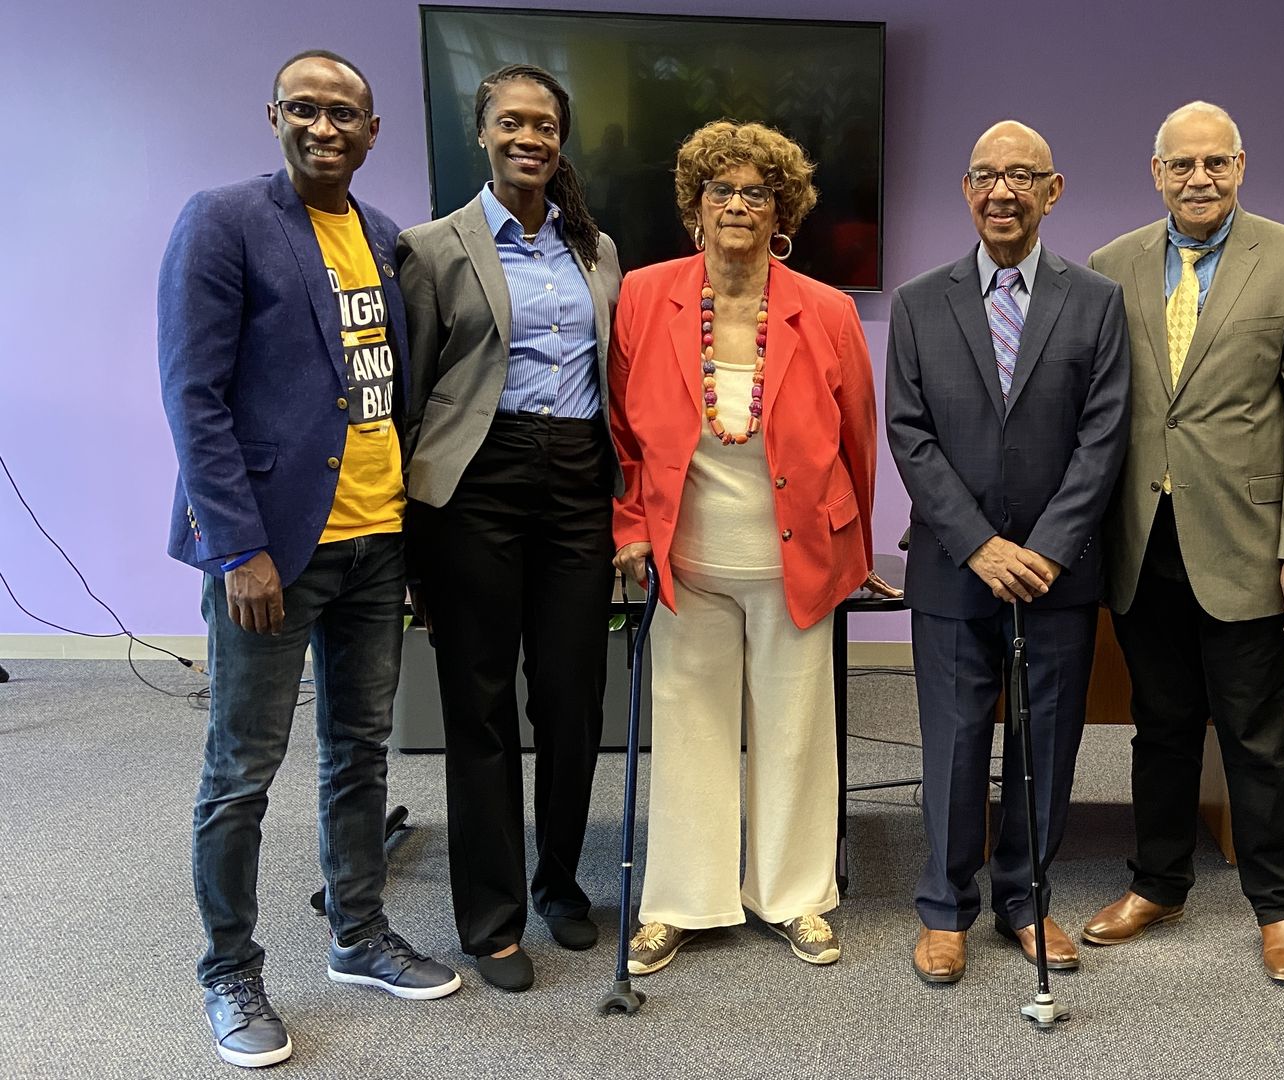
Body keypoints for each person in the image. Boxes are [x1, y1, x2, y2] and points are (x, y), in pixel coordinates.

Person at [158, 49, 460, 1068]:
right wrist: (237, 547)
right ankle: (230, 970)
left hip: (375, 544)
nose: (326, 127)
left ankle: (358, 933)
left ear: (374, 133)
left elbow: (385, 396)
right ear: (275, 116)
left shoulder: (379, 235)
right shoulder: (225, 220)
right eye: (306, 109)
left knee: (360, 752)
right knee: (241, 770)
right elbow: (192, 397)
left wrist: (411, 541)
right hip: (272, 556)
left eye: (345, 114)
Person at [1083, 101, 1284, 983]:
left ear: (1242, 166)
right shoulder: (1110, 264)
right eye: (1182, 165)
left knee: (1254, 734)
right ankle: (1158, 883)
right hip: (1142, 539)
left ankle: (1281, 905)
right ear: (1155, 172)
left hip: (1249, 541)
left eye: (1216, 163)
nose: (1200, 179)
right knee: (1158, 726)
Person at [608, 120, 876, 974]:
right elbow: (619, 429)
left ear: (781, 208)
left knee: (796, 731)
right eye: (719, 190)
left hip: (794, 558)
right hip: (686, 559)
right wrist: (628, 532)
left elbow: (860, 441)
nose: (735, 205)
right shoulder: (646, 296)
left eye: (755, 192)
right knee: (688, 729)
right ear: (693, 205)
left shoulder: (826, 310)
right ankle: (683, 901)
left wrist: (853, 550)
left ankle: (795, 897)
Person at [394, 64, 624, 993]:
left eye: (546, 125)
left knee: (571, 699)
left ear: (561, 140)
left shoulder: (596, 248)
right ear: (482, 132)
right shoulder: (434, 246)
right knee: (479, 703)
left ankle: (559, 883)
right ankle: (489, 919)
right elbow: (410, 394)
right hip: (474, 483)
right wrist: (409, 543)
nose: (531, 137)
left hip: (576, 479)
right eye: (512, 122)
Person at [887, 121, 1131, 984]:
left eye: (1022, 176)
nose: (1003, 191)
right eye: (987, 175)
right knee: (953, 744)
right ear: (965, 190)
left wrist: (1049, 548)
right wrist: (981, 545)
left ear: (1052, 191)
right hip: (957, 570)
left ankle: (1025, 901)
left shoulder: (1096, 300)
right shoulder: (919, 301)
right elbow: (909, 434)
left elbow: (1104, 438)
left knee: (1047, 743)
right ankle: (946, 910)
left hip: (1057, 575)